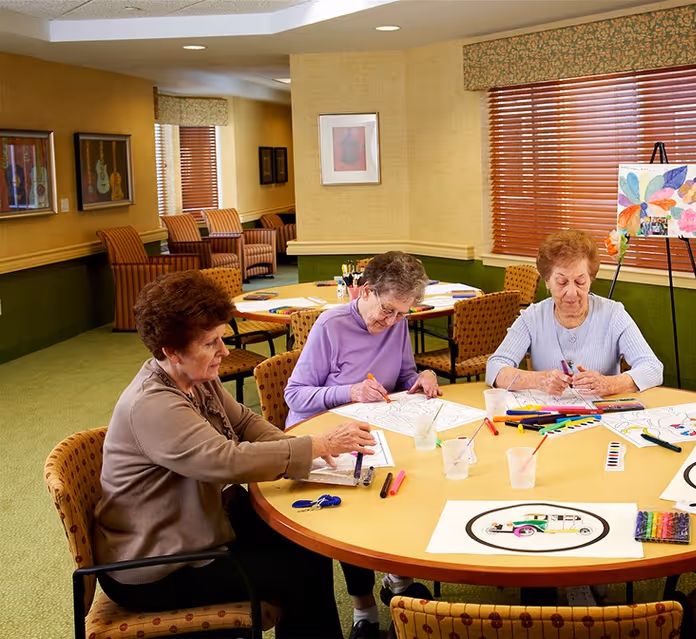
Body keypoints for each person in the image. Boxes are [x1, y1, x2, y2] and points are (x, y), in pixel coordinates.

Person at [93, 270, 377, 639]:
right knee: (299, 572)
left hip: (203, 524)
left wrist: (307, 458)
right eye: (210, 343)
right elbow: (228, 460)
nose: (224, 352)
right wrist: (315, 446)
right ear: (171, 351)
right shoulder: (153, 405)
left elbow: (243, 422)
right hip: (157, 564)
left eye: (221, 339)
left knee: (308, 541)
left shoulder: (196, 377)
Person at [285, 251, 439, 639]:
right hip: (326, 438)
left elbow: (402, 374)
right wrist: (348, 391)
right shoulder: (330, 325)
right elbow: (295, 396)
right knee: (357, 505)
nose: (391, 322)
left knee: (418, 477)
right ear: (366, 291)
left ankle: (396, 575)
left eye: (402, 315)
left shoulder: (396, 322)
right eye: (387, 311)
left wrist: (421, 376)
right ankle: (364, 610)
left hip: (376, 430)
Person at [486, 228, 663, 395]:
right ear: (547, 280)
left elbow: (653, 368)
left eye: (580, 281)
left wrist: (609, 384)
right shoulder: (532, 318)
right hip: (548, 421)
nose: (571, 292)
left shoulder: (613, 314)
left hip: (604, 419)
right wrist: (538, 380)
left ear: (591, 279)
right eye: (562, 282)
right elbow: (495, 368)